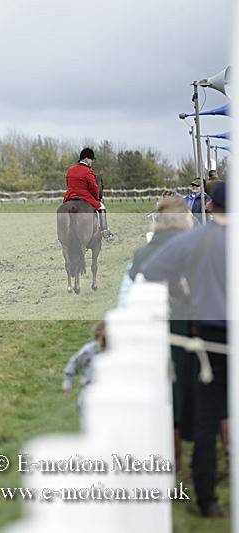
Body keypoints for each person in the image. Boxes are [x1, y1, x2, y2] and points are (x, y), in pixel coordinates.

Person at [139, 182, 228, 518]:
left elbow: (150, 270)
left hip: (208, 337)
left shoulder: (195, 239)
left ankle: (207, 498)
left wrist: (183, 288)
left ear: (211, 206)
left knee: (207, 419)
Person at [127, 196, 194, 473]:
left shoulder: (143, 252)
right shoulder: (191, 247)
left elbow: (133, 279)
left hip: (152, 329)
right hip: (186, 325)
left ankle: (172, 459)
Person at [63, 148, 114, 240]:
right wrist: (97, 197)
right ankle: (104, 231)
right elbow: (94, 187)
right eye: (91, 160)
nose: (91, 162)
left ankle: (62, 234)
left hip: (70, 196)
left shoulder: (70, 169)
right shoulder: (88, 171)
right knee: (101, 207)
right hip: (84, 196)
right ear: (86, 159)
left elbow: (68, 183)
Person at [62, 321, 107, 413]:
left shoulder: (117, 354)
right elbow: (74, 363)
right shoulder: (89, 351)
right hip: (89, 394)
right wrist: (68, 381)